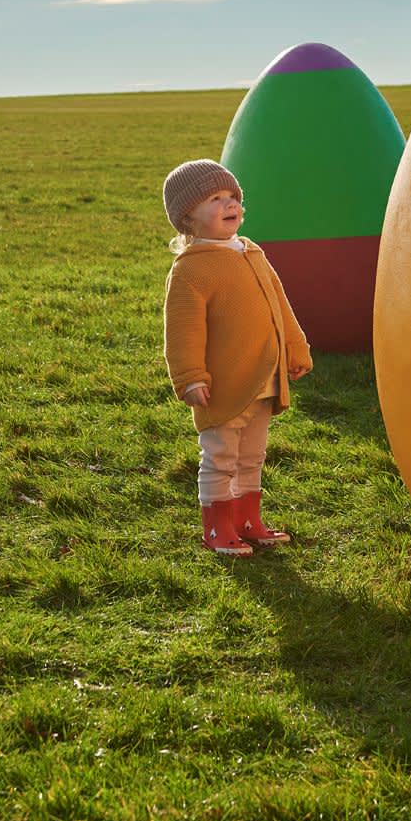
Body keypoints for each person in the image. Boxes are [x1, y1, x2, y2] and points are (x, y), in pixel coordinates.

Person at [161, 159, 313, 556]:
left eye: (234, 197)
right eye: (215, 198)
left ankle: (248, 521)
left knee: (252, 456)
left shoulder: (252, 252)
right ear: (188, 218)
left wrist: (295, 349)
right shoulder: (191, 270)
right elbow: (182, 331)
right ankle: (217, 527)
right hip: (225, 384)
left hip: (264, 381)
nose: (230, 204)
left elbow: (279, 305)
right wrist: (191, 377)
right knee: (221, 457)